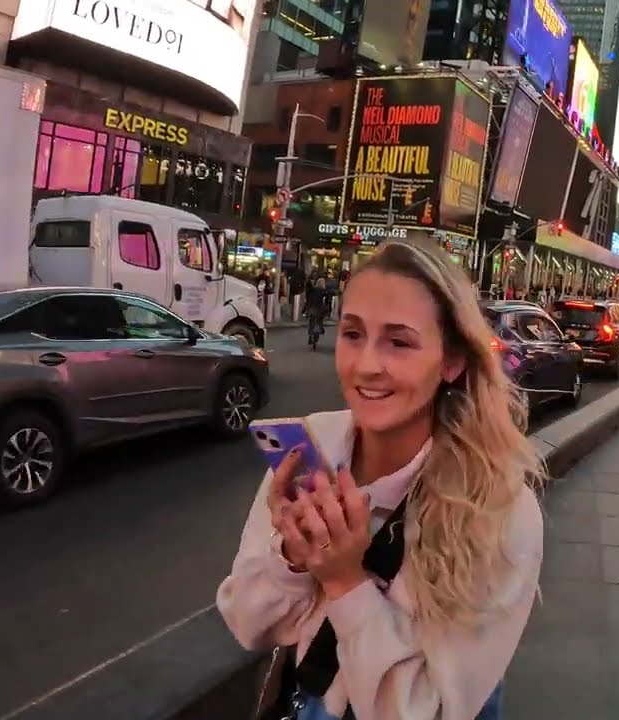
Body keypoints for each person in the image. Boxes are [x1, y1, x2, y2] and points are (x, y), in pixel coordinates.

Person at [218, 240, 544, 720]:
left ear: (451, 361)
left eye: (399, 341)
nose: (367, 365)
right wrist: (290, 556)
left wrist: (345, 580)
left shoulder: (498, 509)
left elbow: (429, 710)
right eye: (353, 334)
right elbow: (246, 622)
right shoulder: (311, 449)